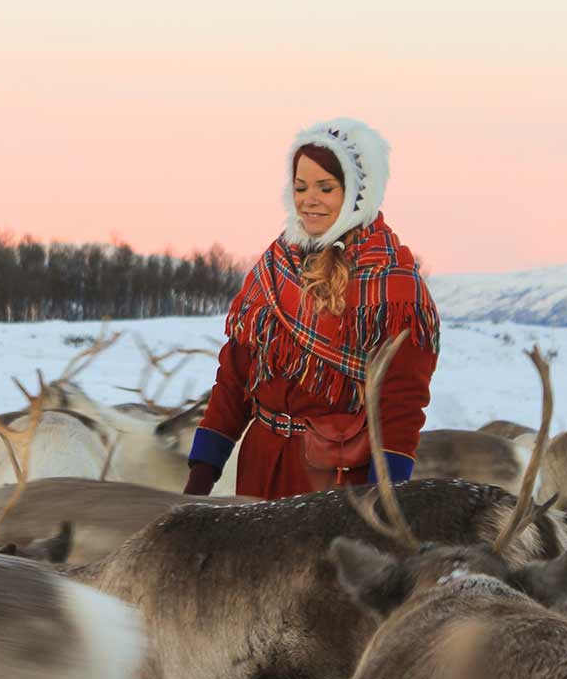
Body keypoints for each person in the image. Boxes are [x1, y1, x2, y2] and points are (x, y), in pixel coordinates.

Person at [183, 119, 440, 500]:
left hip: (333, 484)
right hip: (259, 467)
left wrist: (382, 497)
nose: (309, 200)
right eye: (300, 187)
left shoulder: (395, 289)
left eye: (326, 188)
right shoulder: (274, 268)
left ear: (357, 193)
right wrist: (202, 474)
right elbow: (234, 379)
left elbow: (401, 405)